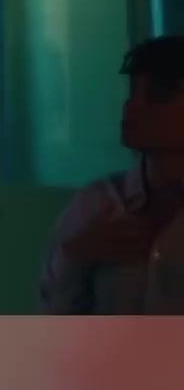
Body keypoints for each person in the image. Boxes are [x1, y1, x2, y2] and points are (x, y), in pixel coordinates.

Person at [39, 35, 184, 314]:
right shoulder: (96, 207)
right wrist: (74, 256)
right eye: (132, 92)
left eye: (159, 94)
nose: (132, 106)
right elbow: (52, 320)